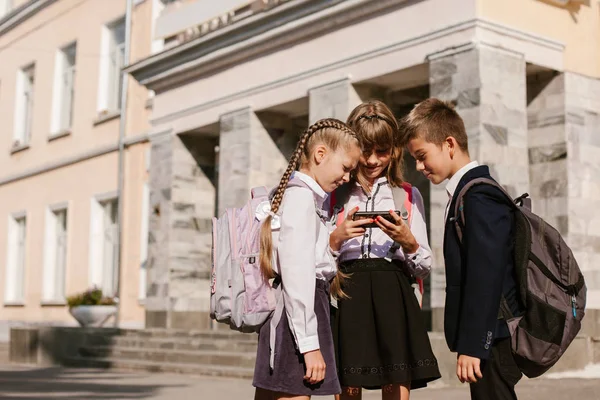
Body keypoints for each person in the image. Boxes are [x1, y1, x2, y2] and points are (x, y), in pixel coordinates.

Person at [404, 98, 523, 400]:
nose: (419, 166)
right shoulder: (467, 193)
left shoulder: (478, 195)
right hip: (488, 335)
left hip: (492, 336)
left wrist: (474, 345)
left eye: (422, 156)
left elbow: (485, 276)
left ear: (449, 144)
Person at [329, 100, 441, 400]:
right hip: (347, 293)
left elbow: (424, 265)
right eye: (366, 150)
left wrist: (408, 241)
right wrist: (336, 239)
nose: (373, 160)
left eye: (382, 151)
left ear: (394, 150)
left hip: (393, 292)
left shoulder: (406, 194)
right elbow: (317, 260)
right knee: (348, 383)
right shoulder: (335, 194)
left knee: (395, 379)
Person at [253, 118, 362, 400]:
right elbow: (298, 274)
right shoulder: (301, 199)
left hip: (291, 315)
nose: (347, 177)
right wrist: (310, 344)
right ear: (320, 154)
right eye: (346, 167)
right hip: (298, 316)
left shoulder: (298, 197)